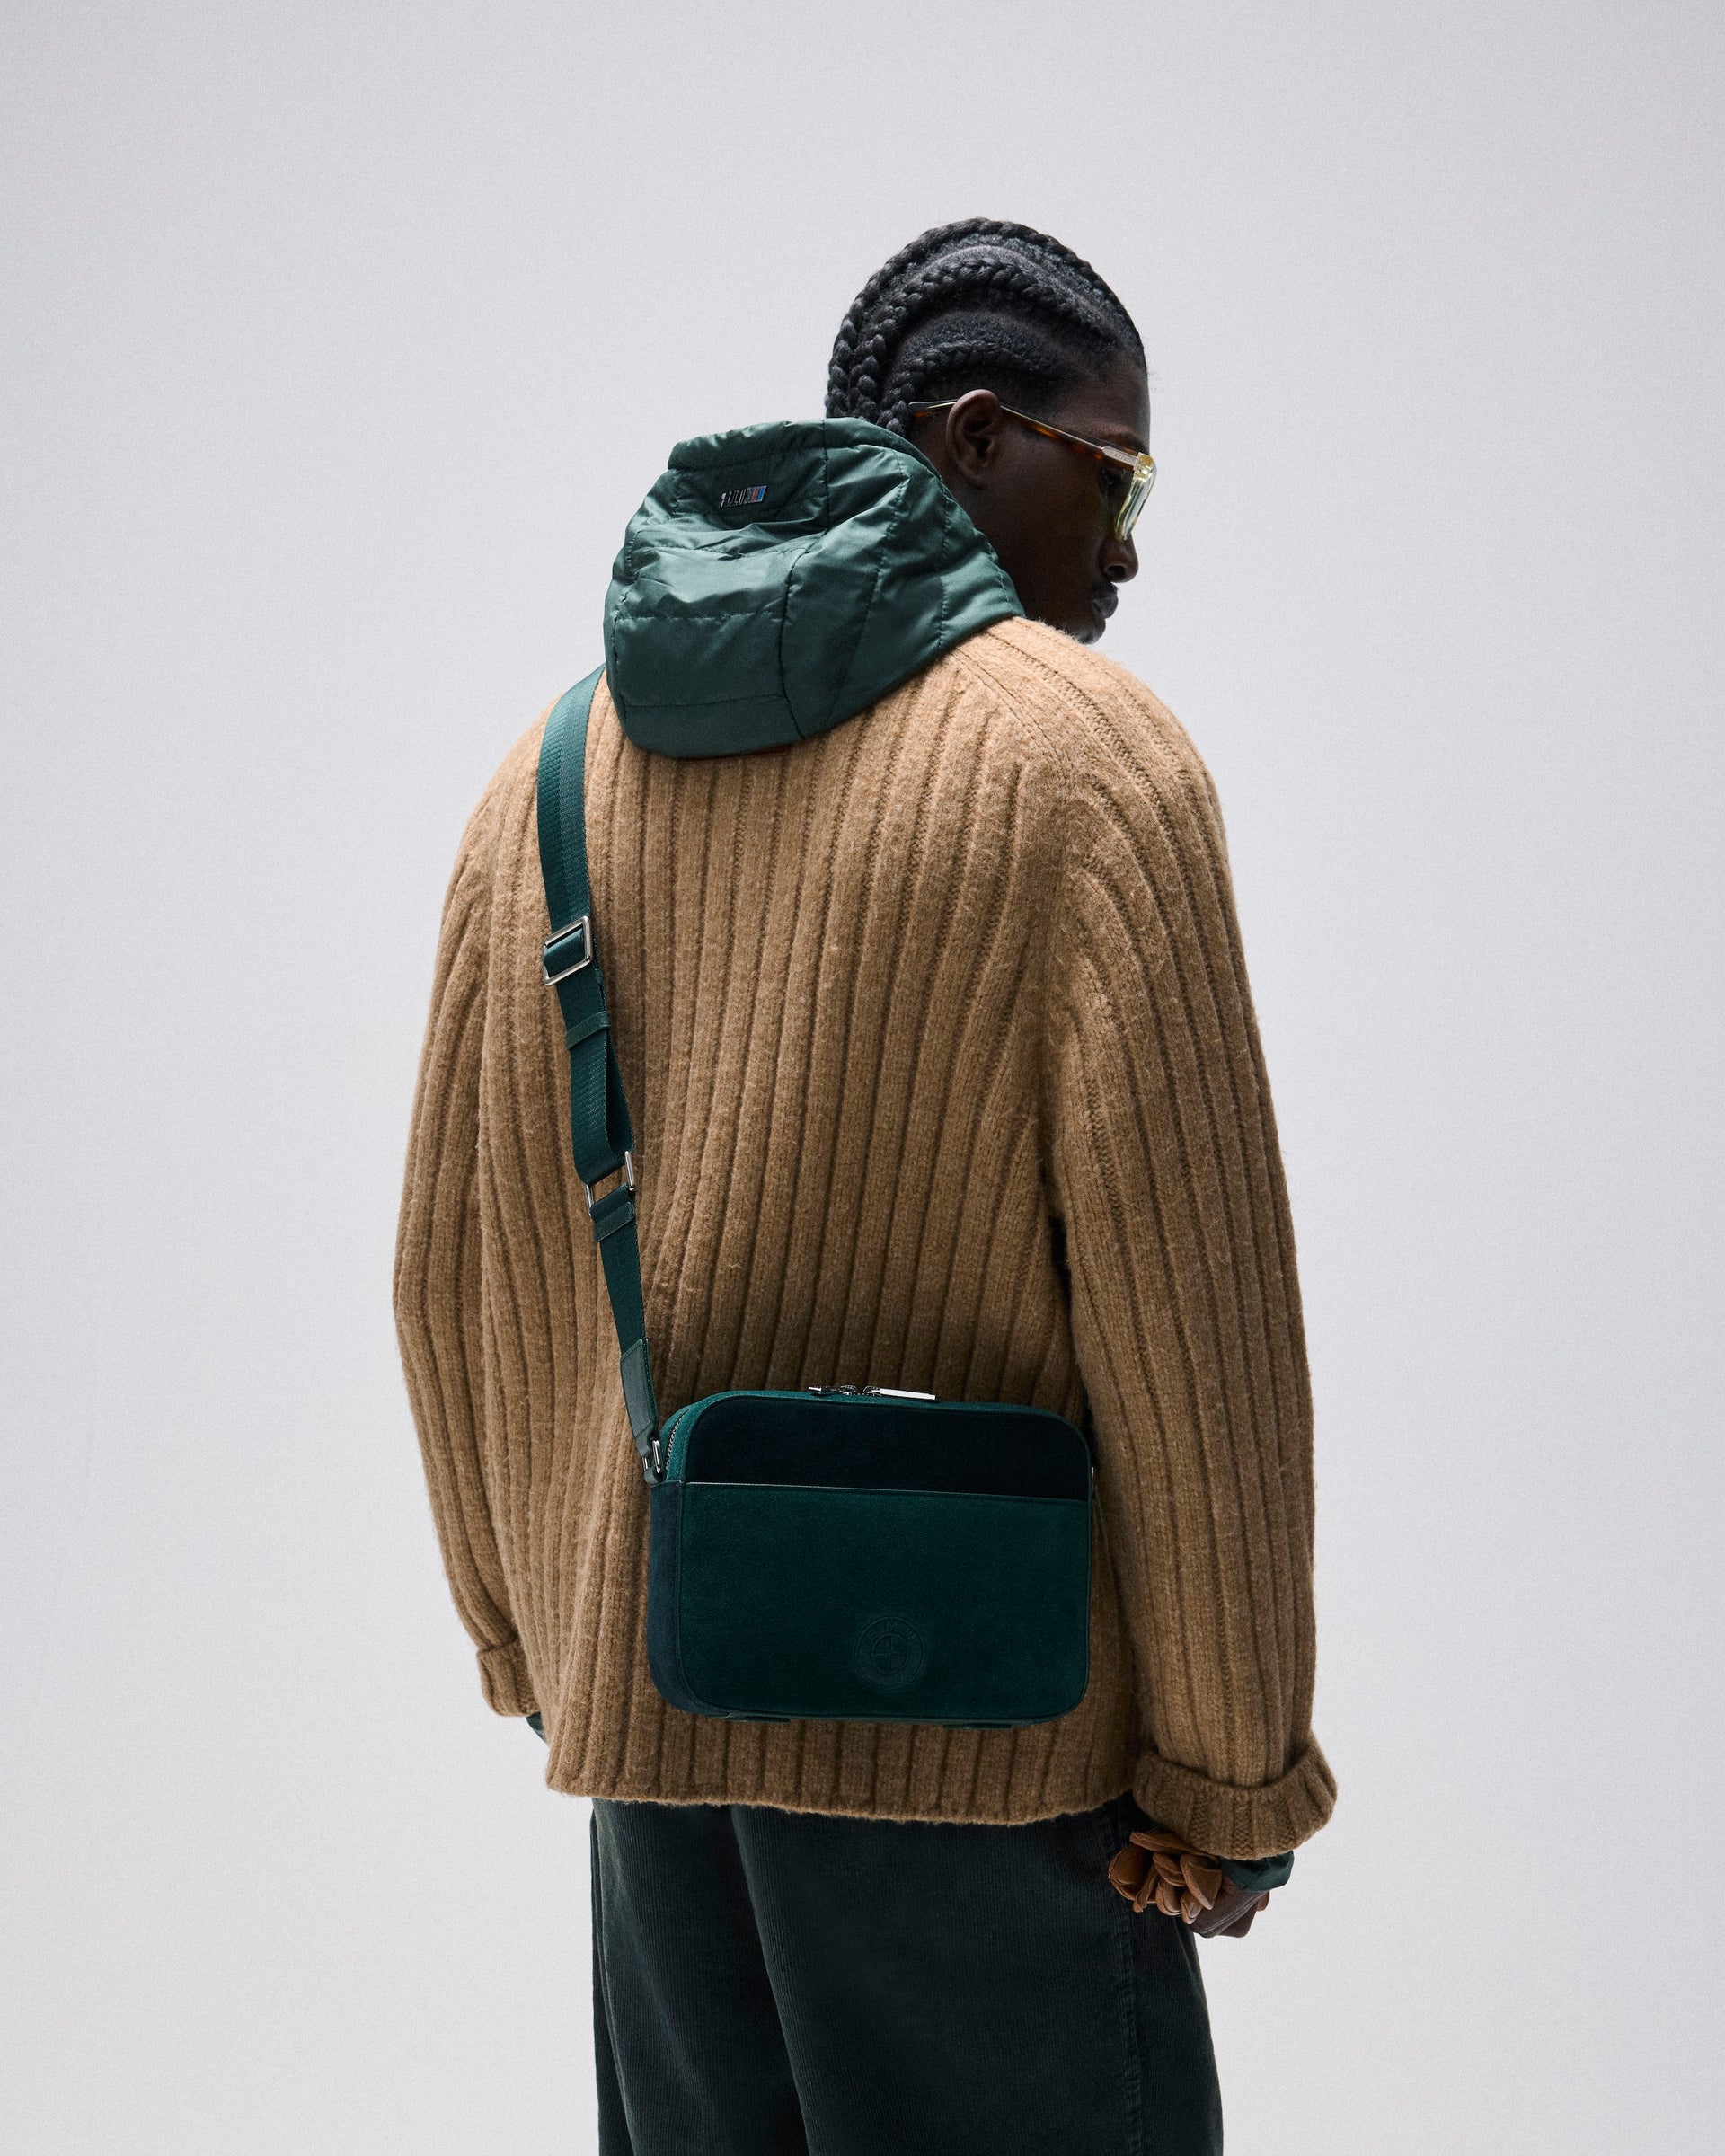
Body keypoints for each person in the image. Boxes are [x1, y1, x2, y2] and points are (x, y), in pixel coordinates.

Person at [395, 218, 1334, 2154]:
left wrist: (539, 1644)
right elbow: (1199, 1326)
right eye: (1118, 476)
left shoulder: (547, 777)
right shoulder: (1090, 767)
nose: (1132, 549)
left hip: (661, 1733)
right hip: (1001, 1762)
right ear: (979, 438)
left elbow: (447, 1271)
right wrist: (1233, 1778)